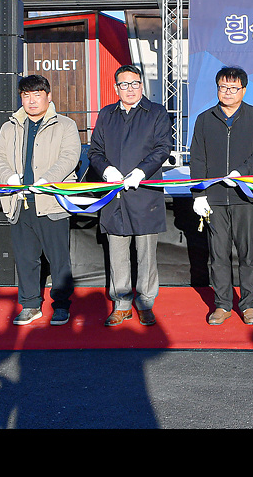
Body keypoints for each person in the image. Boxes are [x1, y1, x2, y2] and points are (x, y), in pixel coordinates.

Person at [0, 74, 81, 327]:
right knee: (26, 259)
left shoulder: (65, 125)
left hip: (51, 202)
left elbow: (70, 156)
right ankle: (30, 305)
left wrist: (47, 180)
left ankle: (61, 305)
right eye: (26, 95)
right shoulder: (10, 127)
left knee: (58, 260)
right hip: (19, 203)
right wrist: (8, 177)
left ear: (48, 97)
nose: (31, 101)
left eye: (37, 95)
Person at [88, 65, 174, 327]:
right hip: (114, 195)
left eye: (134, 83)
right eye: (124, 84)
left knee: (146, 254)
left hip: (144, 193)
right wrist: (107, 170)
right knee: (117, 252)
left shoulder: (156, 113)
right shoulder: (107, 114)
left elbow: (163, 148)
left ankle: (146, 301)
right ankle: (122, 304)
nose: (130, 89)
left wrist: (141, 171)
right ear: (116, 88)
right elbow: (94, 151)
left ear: (141, 85)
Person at [189, 66, 253, 326]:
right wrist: (198, 193)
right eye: (223, 87)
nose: (227, 92)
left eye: (233, 88)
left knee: (248, 254)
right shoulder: (204, 119)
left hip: (245, 196)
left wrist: (241, 172)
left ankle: (248, 305)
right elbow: (197, 158)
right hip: (214, 199)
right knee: (218, 255)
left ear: (243, 90)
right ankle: (223, 304)